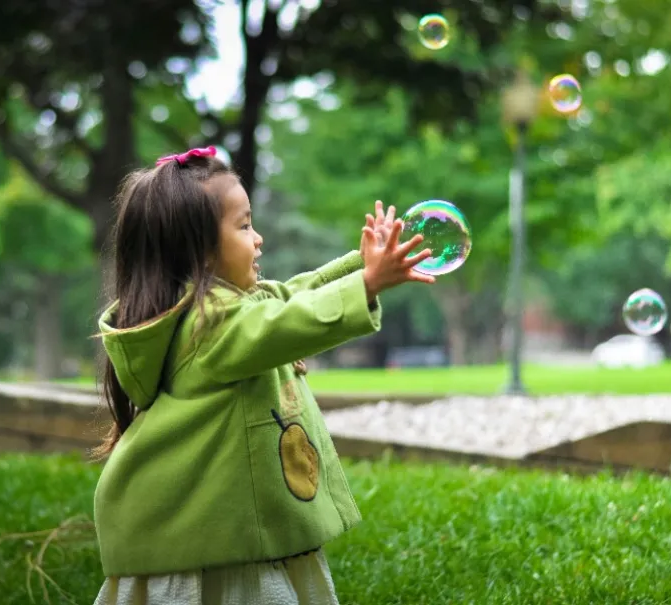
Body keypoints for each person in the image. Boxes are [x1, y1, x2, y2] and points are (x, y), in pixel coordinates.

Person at [92, 146, 435, 605]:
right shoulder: (209, 326)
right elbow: (288, 322)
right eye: (244, 224)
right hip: (214, 548)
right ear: (201, 252)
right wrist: (368, 284)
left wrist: (360, 263)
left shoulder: (224, 309)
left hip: (227, 532)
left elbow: (294, 293)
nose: (259, 239)